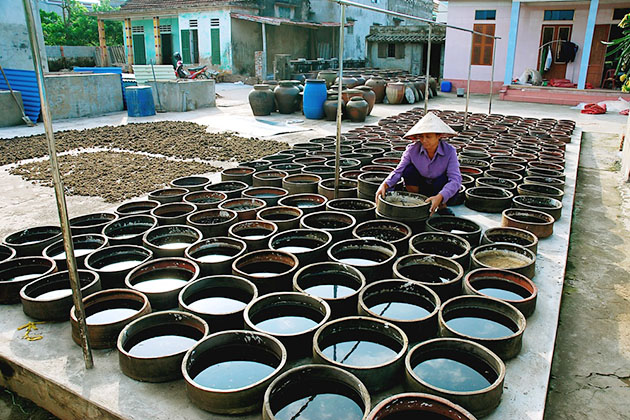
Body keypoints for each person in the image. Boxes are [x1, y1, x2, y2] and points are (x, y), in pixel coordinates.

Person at [375, 112, 462, 215]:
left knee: (445, 181)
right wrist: (384, 185)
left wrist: (440, 197)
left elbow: (456, 180)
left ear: (438, 136)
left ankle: (441, 206)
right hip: (421, 186)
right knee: (408, 171)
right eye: (421, 136)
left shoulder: (449, 151)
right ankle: (417, 201)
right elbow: (399, 171)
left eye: (428, 136)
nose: (424, 140)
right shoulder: (412, 150)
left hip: (439, 188)